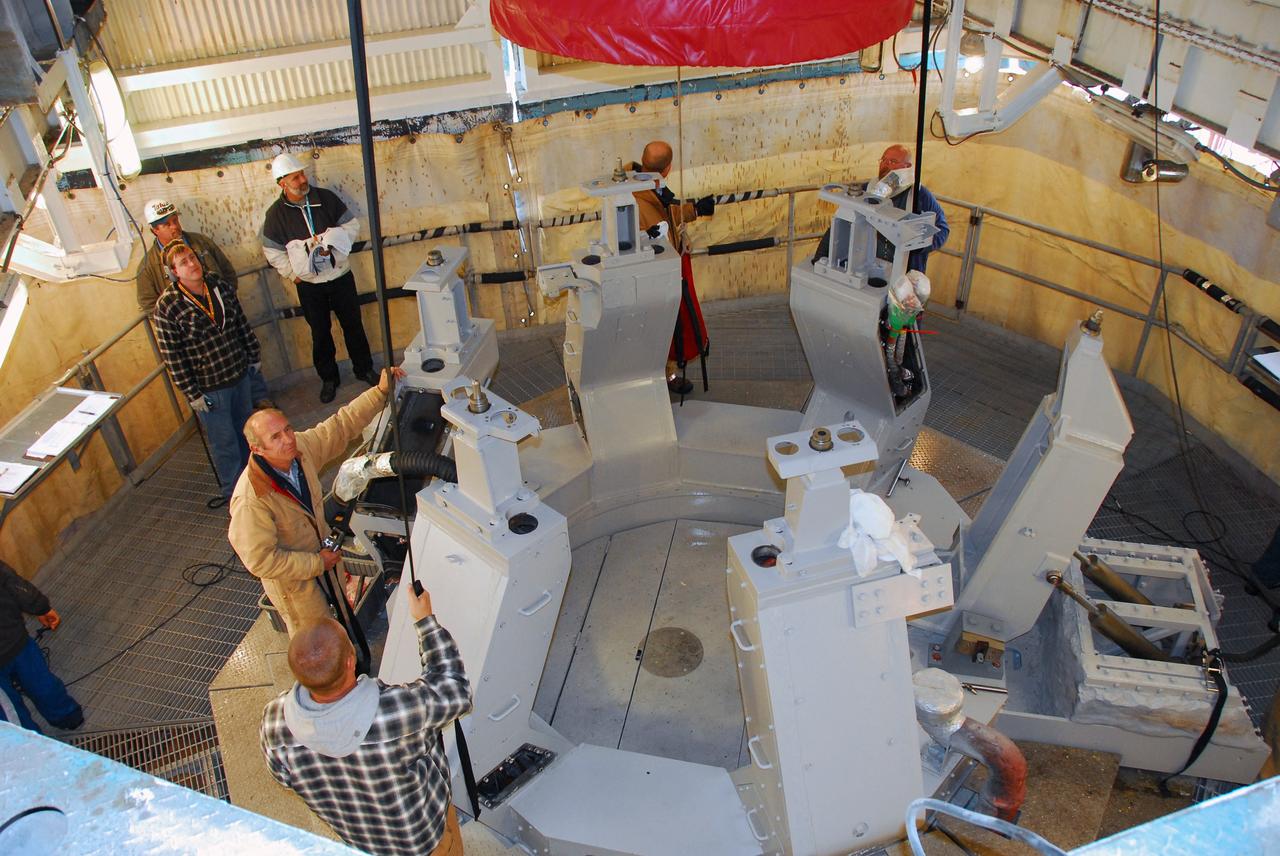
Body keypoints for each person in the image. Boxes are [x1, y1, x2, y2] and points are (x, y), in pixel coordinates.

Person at [261, 582, 470, 856]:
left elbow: (283, 777)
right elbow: (455, 691)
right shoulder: (393, 713)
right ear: (350, 661)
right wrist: (425, 622)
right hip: (424, 840)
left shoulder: (274, 724)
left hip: (363, 844)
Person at [229, 367, 403, 636]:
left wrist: (379, 392)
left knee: (341, 627)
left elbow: (339, 426)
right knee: (318, 642)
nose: (288, 439)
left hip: (326, 565)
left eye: (288, 429)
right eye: (275, 437)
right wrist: (316, 563)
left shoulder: (299, 451)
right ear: (256, 449)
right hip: (297, 589)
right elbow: (260, 561)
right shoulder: (252, 500)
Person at [261, 153, 376, 404]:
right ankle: (329, 379)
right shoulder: (275, 215)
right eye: (296, 177)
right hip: (310, 287)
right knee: (320, 333)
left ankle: (364, 369)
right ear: (282, 183)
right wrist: (292, 274)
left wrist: (333, 242)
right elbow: (271, 250)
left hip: (340, 277)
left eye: (302, 174)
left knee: (353, 325)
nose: (303, 180)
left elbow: (351, 225)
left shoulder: (325, 198)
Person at [153, 242, 263, 502]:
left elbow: (240, 322)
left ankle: (257, 482)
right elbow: (173, 357)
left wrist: (253, 355)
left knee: (248, 436)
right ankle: (235, 497)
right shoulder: (168, 306)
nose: (192, 264)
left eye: (193, 257)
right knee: (225, 444)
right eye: (183, 262)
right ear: (173, 272)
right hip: (211, 389)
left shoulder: (217, 284)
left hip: (239, 375)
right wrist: (192, 393)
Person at [138, 198, 271, 408]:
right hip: (198, 343)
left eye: (175, 220)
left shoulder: (201, 242)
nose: (174, 227)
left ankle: (260, 401)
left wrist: (226, 301)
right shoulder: (148, 266)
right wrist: (173, 323)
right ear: (155, 230)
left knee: (243, 355)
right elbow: (147, 303)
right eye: (167, 224)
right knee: (220, 410)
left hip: (226, 323)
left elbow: (227, 271)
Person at [629, 140, 716, 396]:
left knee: (664, 326)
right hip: (655, 277)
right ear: (668, 168)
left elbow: (665, 216)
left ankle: (662, 373)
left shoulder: (644, 188)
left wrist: (694, 210)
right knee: (662, 328)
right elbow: (655, 227)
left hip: (655, 274)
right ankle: (661, 377)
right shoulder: (642, 198)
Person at [812, 144, 951, 273]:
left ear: (907, 166)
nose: (885, 164)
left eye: (892, 161)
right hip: (865, 269)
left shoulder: (920, 196)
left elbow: (942, 229)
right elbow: (840, 223)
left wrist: (918, 245)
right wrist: (819, 258)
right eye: (883, 160)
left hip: (903, 273)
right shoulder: (866, 190)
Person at [0, 559, 83, 733]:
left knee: (10, 712)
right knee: (42, 683)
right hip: (17, 640)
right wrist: (41, 607)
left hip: (15, 642)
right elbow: (13, 583)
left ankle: (30, 743)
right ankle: (68, 716)